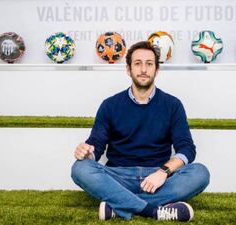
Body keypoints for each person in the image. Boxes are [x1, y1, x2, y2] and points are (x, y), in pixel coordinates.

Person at [71, 41, 210, 222]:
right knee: (80, 167)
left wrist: (163, 172)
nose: (143, 69)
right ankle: (152, 210)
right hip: (118, 176)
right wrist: (87, 153)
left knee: (200, 173)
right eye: (137, 63)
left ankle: (117, 205)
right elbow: (96, 145)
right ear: (128, 69)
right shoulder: (110, 105)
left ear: (156, 70)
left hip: (158, 178)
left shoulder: (172, 105)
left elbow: (186, 149)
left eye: (149, 64)